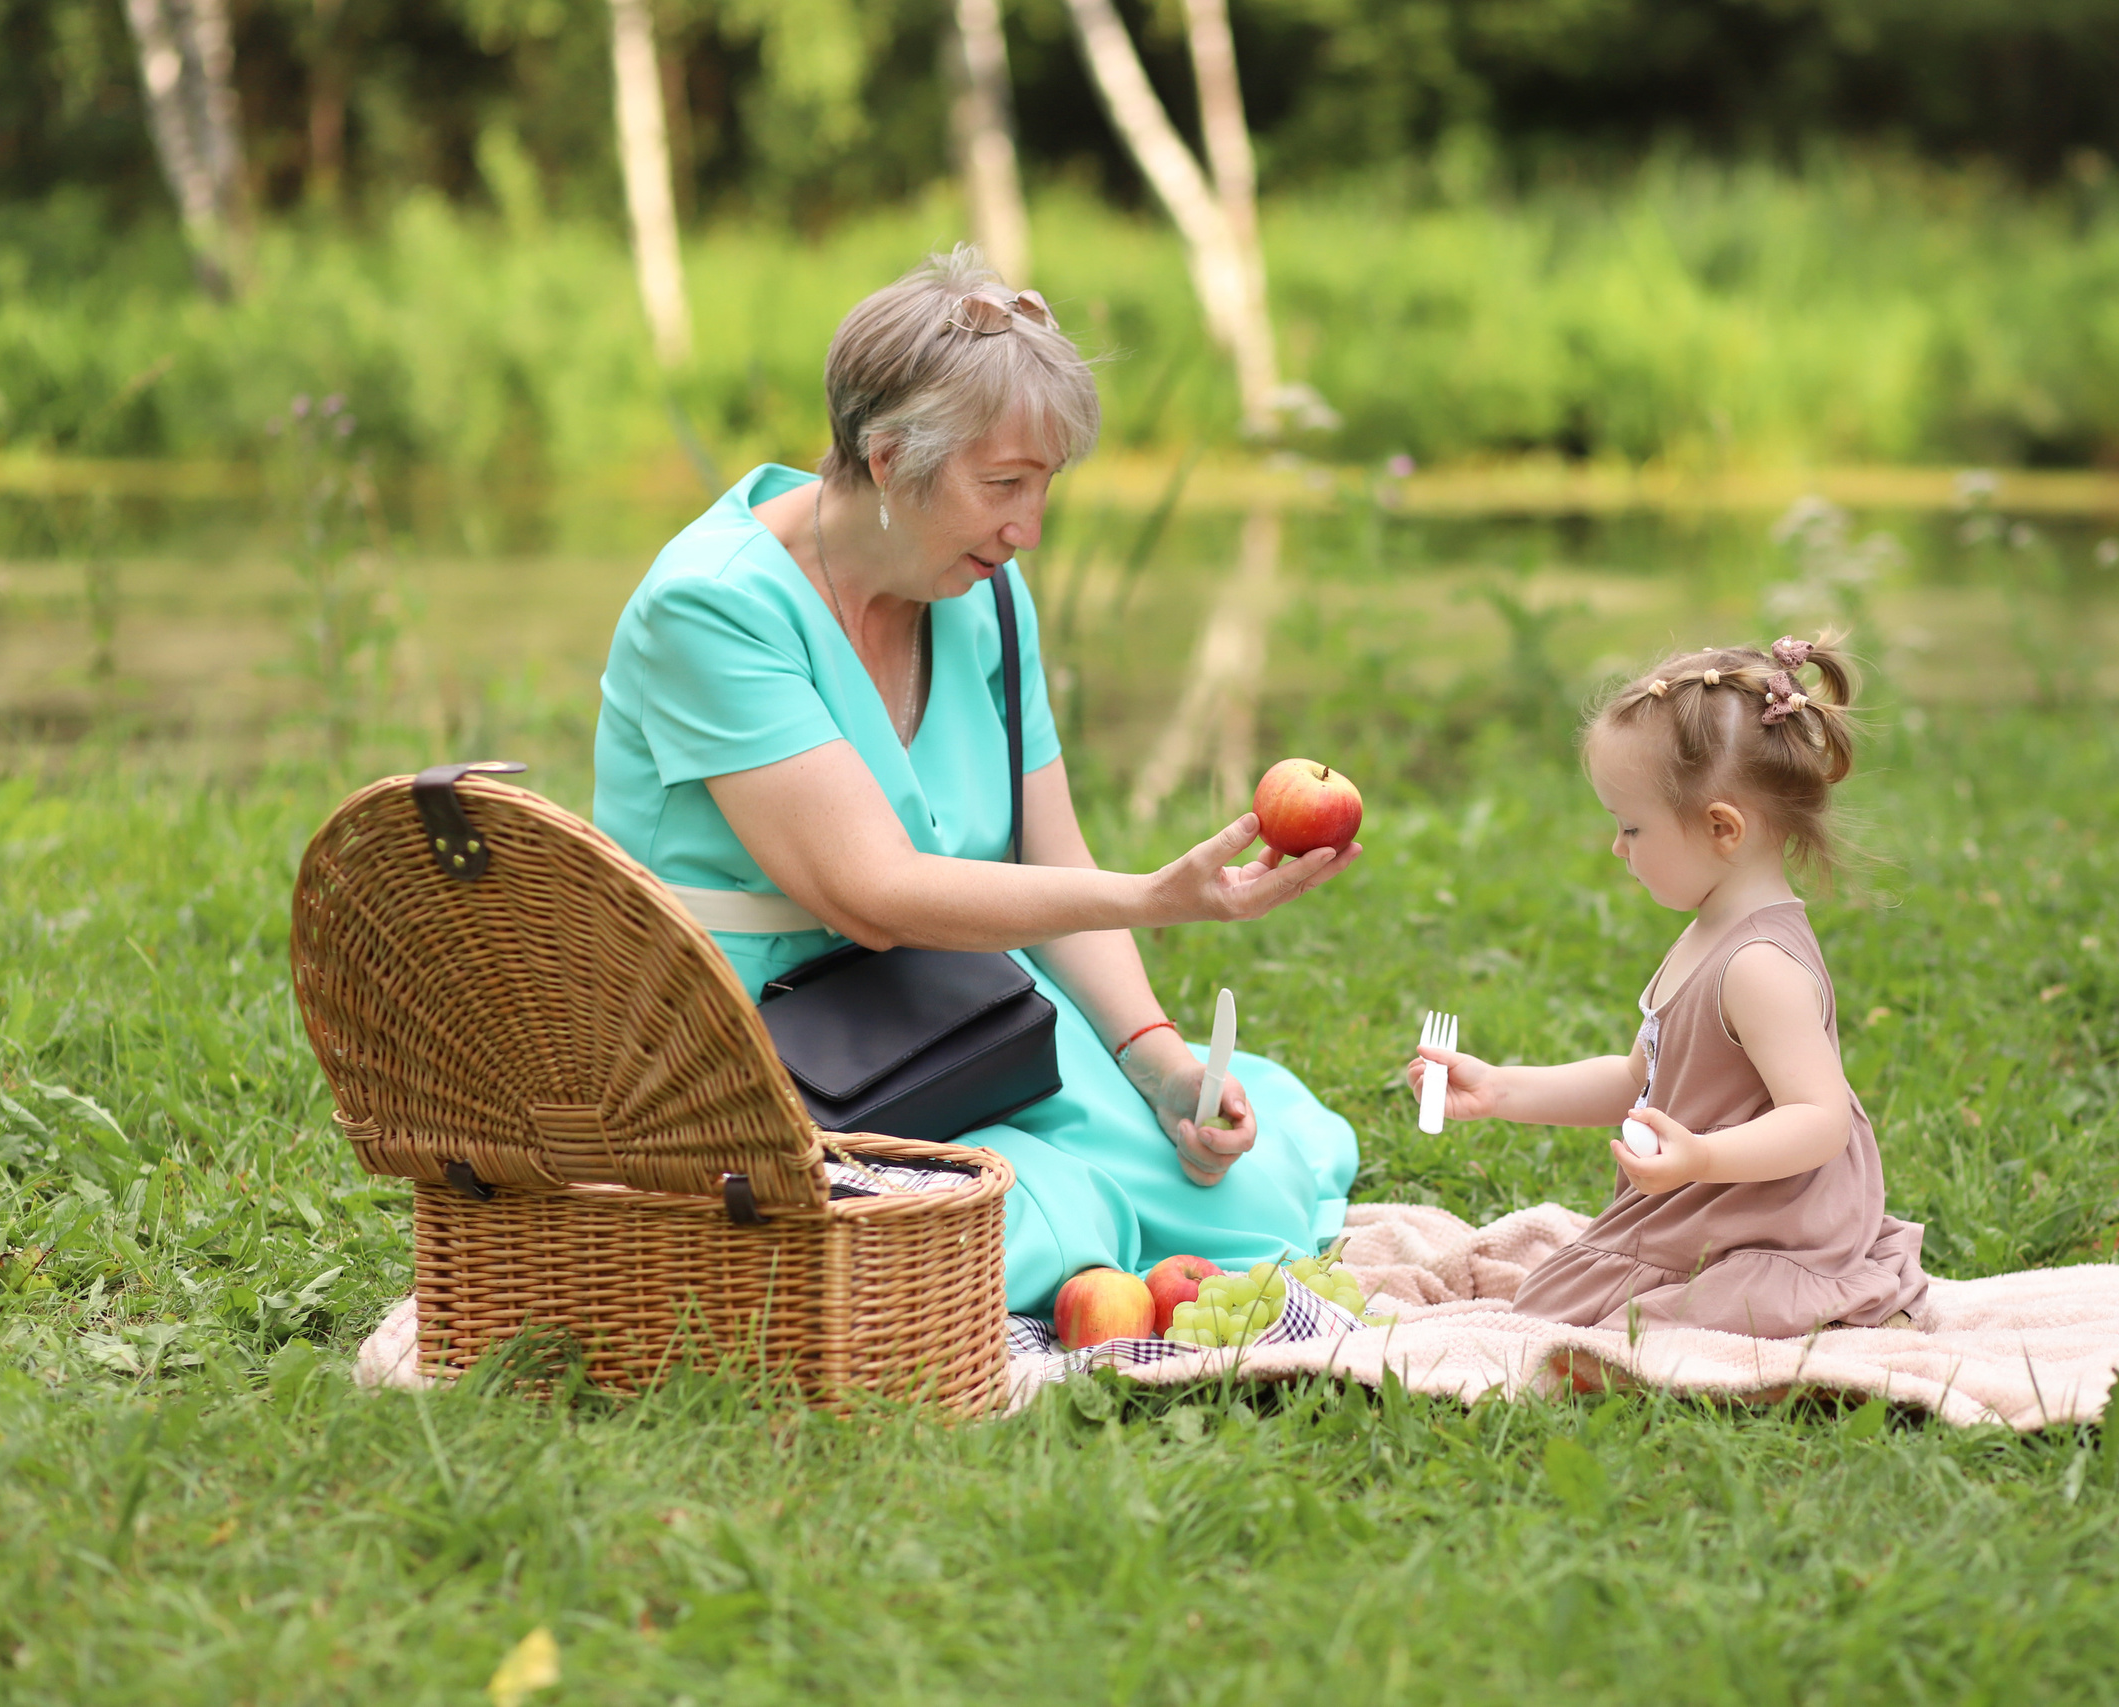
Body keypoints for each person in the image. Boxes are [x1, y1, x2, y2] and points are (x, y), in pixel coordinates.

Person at [592, 248, 1361, 1317]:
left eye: (1042, 489)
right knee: (1042, 1219)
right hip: (746, 1044)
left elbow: (1054, 863)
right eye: (1002, 486)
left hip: (950, 1015)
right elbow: (869, 892)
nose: (1026, 529)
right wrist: (1155, 896)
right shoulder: (712, 608)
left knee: (1257, 1196)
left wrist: (1158, 1066)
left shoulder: (986, 594)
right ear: (886, 455)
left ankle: (1067, 1185)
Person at [1408, 634, 1928, 1337]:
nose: (1618, 848)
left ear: (1721, 828)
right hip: (1706, 1201)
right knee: (1561, 1301)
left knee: (1619, 1321)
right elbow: (1638, 1079)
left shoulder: (1758, 966)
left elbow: (1820, 1118)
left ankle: (1824, 1302)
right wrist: (1503, 1088)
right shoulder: (1708, 931)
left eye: (1631, 827)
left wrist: (1705, 1156)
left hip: (1763, 1223)